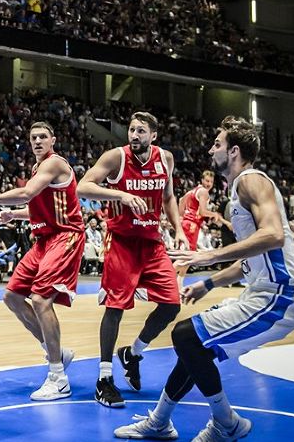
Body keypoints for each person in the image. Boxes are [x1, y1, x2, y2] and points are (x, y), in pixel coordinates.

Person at [115, 116, 294, 441]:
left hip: (280, 297)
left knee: (186, 337)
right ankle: (160, 421)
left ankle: (226, 423)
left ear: (233, 151)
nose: (210, 149)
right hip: (262, 293)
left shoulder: (250, 180)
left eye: (217, 144)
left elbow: (273, 235)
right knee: (194, 345)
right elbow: (251, 260)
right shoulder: (238, 190)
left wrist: (210, 255)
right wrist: (209, 283)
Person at [0, 121, 85, 401]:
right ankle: (58, 352)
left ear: (52, 139)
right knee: (13, 297)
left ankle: (58, 377)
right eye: (33, 137)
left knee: (41, 300)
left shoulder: (54, 164)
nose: (38, 141)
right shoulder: (37, 169)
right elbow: (40, 209)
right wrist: (15, 216)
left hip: (65, 236)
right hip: (44, 239)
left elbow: (27, 194)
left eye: (43, 136)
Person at [76, 111, 186, 408]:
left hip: (152, 243)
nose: (134, 135)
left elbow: (168, 197)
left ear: (154, 135)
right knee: (115, 308)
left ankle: (133, 353)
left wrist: (179, 230)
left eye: (140, 131)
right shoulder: (116, 157)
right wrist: (120, 196)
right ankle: (104, 378)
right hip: (122, 242)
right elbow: (82, 186)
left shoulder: (166, 159)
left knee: (171, 305)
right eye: (131, 130)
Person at [176, 170, 220, 286]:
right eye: (206, 180)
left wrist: (181, 217)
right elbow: (202, 211)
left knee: (187, 259)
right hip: (191, 225)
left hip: (188, 224)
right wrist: (214, 214)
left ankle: (178, 286)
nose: (208, 183)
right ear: (202, 180)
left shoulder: (193, 191)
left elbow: (181, 201)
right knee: (186, 258)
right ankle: (162, 279)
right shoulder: (204, 192)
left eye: (211, 181)